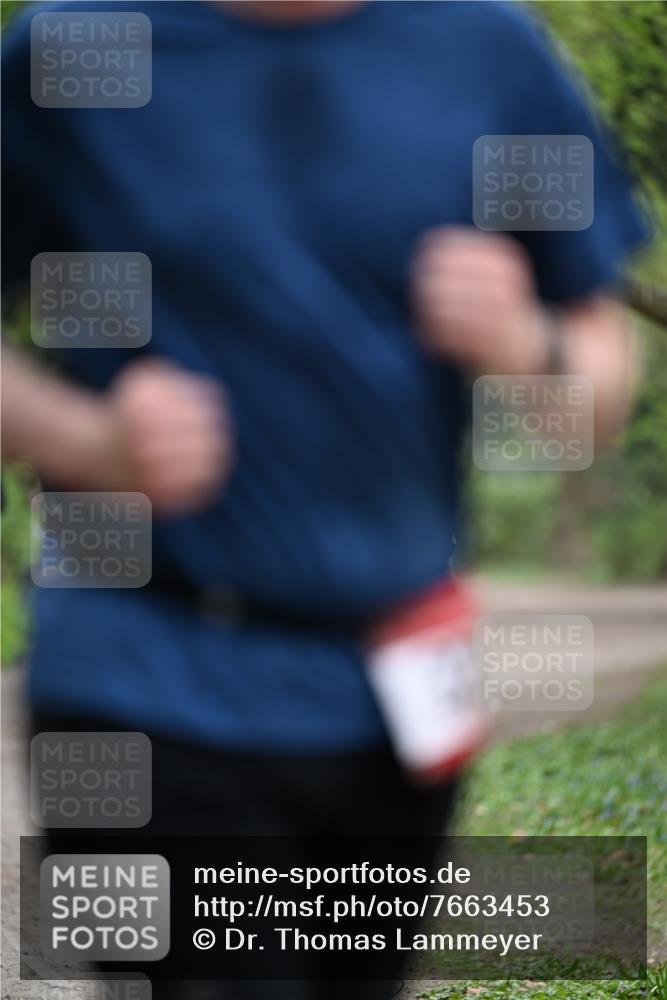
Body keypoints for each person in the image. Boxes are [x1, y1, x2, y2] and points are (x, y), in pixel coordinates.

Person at [1, 1, 648, 997]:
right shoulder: (74, 48)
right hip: (140, 671)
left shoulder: (488, 52)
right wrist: (88, 440)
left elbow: (601, 372)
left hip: (393, 689)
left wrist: (527, 343)